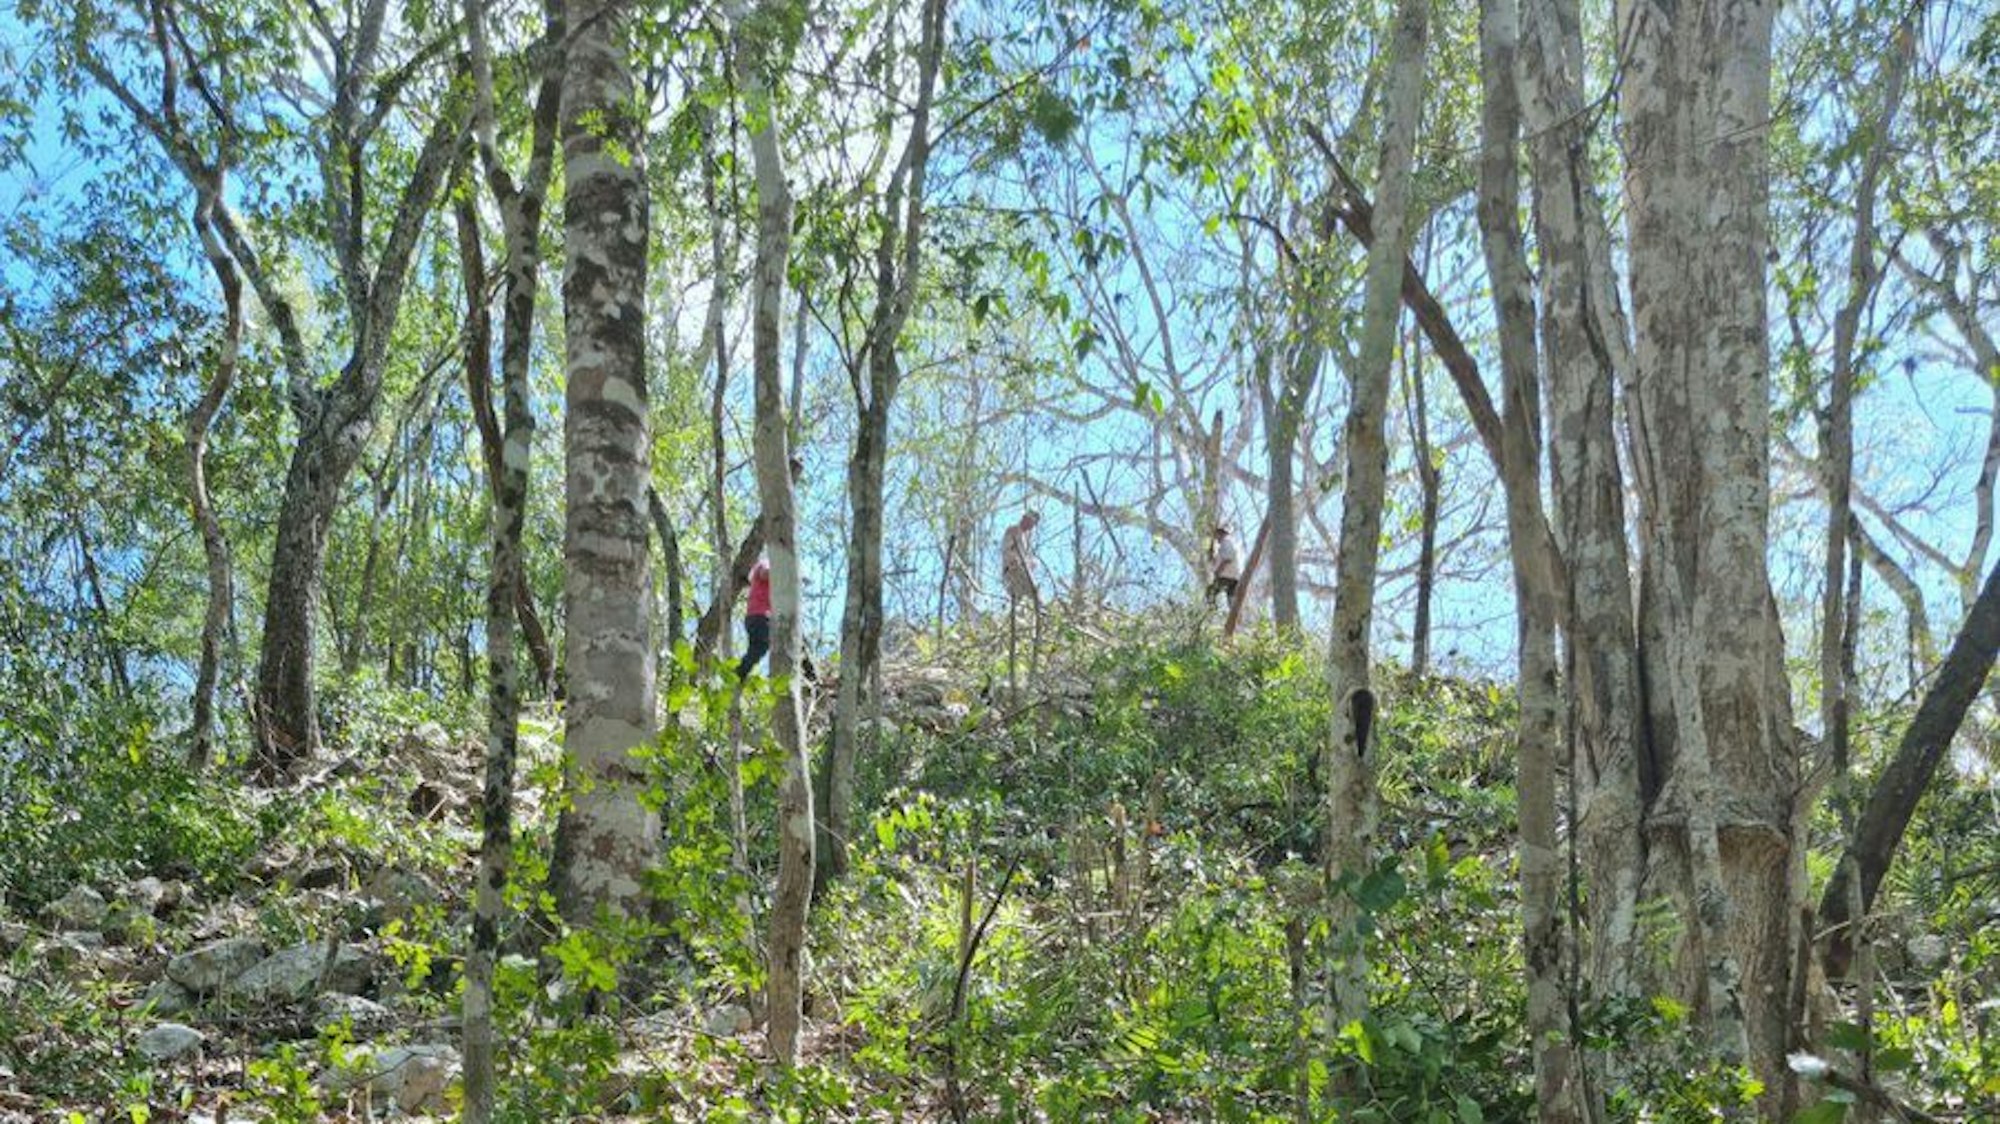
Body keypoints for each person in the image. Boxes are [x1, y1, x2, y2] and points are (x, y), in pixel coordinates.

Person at [1000, 509, 1042, 697]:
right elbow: (1007, 551)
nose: (1029, 526)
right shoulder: (1013, 531)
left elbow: (1025, 557)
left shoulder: (1026, 539)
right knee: (1032, 596)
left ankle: (1028, 625)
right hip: (1014, 571)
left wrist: (1030, 562)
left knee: (1027, 602)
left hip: (1021, 571)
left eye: (1032, 525)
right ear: (1024, 519)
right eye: (1029, 522)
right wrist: (1018, 563)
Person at [737, 556, 771, 680]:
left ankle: (740, 675)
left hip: (757, 617)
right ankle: (739, 672)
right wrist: (789, 576)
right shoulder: (764, 563)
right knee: (761, 646)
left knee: (757, 649)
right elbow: (765, 573)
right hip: (758, 617)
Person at [1206, 524, 1240, 609]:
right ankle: (1234, 616)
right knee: (1232, 602)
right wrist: (1211, 557)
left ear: (1221, 533)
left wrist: (1218, 571)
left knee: (1211, 592)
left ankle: (1212, 610)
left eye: (1217, 535)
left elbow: (1228, 558)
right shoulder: (1224, 546)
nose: (1217, 539)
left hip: (1227, 577)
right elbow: (1216, 563)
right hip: (1232, 578)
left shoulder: (1227, 541)